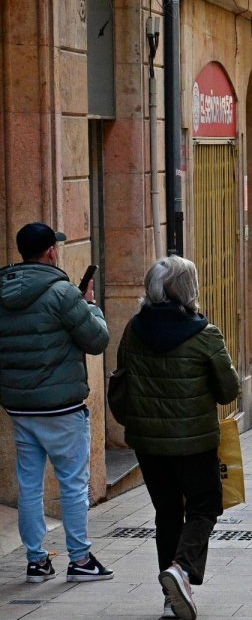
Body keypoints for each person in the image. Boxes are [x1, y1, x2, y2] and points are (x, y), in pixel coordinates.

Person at [110, 256, 240, 620]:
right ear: (188, 289)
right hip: (194, 441)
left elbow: (123, 379)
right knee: (205, 506)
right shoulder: (205, 334)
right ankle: (180, 570)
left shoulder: (134, 329)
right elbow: (228, 390)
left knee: (167, 512)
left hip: (149, 442)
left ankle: (171, 600)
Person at [0, 223, 111, 586]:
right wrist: (90, 306)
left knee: (29, 484)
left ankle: (36, 562)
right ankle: (79, 559)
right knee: (73, 483)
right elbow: (97, 341)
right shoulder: (63, 293)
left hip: (19, 405)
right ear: (50, 252)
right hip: (61, 407)